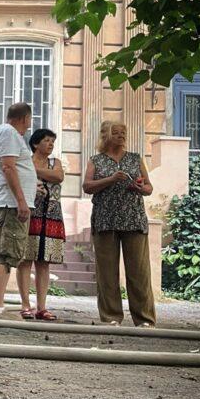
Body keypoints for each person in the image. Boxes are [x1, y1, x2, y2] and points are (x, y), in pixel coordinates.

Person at [82, 120, 156, 327]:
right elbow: (87, 186)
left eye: (123, 132)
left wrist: (140, 187)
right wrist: (111, 179)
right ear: (106, 135)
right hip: (105, 221)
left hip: (134, 219)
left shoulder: (135, 158)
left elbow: (149, 188)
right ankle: (111, 317)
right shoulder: (95, 160)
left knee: (139, 273)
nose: (121, 136)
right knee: (107, 273)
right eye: (116, 132)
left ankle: (145, 319)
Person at [0, 102, 37, 316]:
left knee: (0, 253)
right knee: (5, 255)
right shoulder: (9, 133)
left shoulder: (7, 133)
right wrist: (21, 201)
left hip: (8, 202)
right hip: (11, 204)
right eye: (29, 120)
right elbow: (8, 166)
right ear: (25, 119)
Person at [16, 128, 66, 321]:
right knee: (25, 259)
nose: (51, 144)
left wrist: (33, 171)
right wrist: (31, 171)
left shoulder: (56, 163)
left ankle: (42, 307)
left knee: (44, 262)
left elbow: (58, 177)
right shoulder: (24, 161)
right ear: (36, 144)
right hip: (30, 215)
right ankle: (25, 305)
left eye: (53, 141)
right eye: (47, 140)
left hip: (52, 216)